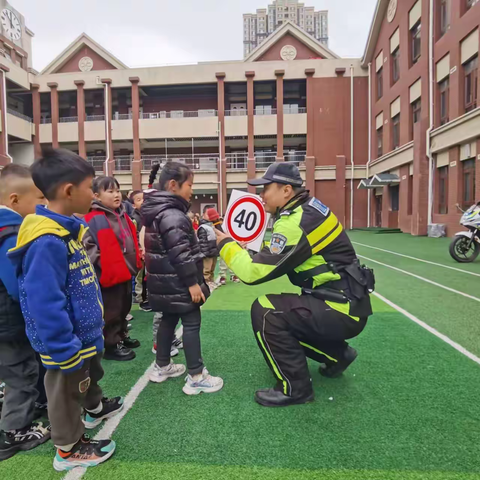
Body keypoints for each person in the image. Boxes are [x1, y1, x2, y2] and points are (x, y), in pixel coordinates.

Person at [215, 163, 374, 407]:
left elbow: (252, 273)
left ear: (286, 190)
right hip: (348, 304)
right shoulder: (309, 208)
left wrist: (225, 245)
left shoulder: (294, 222)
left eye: (266, 188)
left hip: (340, 308)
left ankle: (295, 389)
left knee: (266, 309)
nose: (261, 195)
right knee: (290, 314)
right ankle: (337, 355)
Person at [8, 149, 123, 471]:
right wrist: (63, 348)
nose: (94, 193)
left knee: (85, 382)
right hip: (65, 344)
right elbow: (44, 302)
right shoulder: (46, 240)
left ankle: (93, 409)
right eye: (90, 187)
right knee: (64, 394)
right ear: (69, 191)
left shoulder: (66, 231)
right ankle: (68, 447)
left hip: (82, 336)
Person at [142, 162, 223, 394]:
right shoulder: (173, 215)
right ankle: (196, 375)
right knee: (191, 323)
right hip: (179, 282)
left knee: (168, 320)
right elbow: (181, 253)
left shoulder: (157, 211)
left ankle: (162, 365)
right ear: (173, 185)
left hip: (165, 281)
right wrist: (192, 283)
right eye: (190, 185)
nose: (192, 190)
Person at [0, 164, 50, 461]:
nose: (40, 205)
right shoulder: (10, 233)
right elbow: (17, 284)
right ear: (16, 199)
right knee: (22, 373)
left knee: (10, 370)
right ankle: (14, 432)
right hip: (8, 320)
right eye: (37, 198)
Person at [83, 176, 142, 362]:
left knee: (124, 305)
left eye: (117, 190)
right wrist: (103, 263)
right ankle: (111, 344)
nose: (116, 195)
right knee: (112, 309)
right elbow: (88, 246)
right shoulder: (93, 218)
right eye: (110, 191)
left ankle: (121, 335)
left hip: (126, 272)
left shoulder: (122, 215)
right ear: (96, 196)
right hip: (108, 274)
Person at [206, 209, 239, 285]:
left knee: (229, 259)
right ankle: (223, 276)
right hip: (220, 244)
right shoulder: (211, 226)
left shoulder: (223, 224)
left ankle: (232, 275)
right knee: (222, 261)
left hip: (227, 242)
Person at [198, 207, 218, 291]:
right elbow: (202, 241)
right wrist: (205, 253)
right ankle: (207, 282)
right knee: (207, 269)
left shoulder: (213, 225)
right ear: (203, 215)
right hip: (207, 252)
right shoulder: (203, 227)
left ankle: (211, 281)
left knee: (212, 268)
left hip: (213, 251)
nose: (210, 216)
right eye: (207, 214)